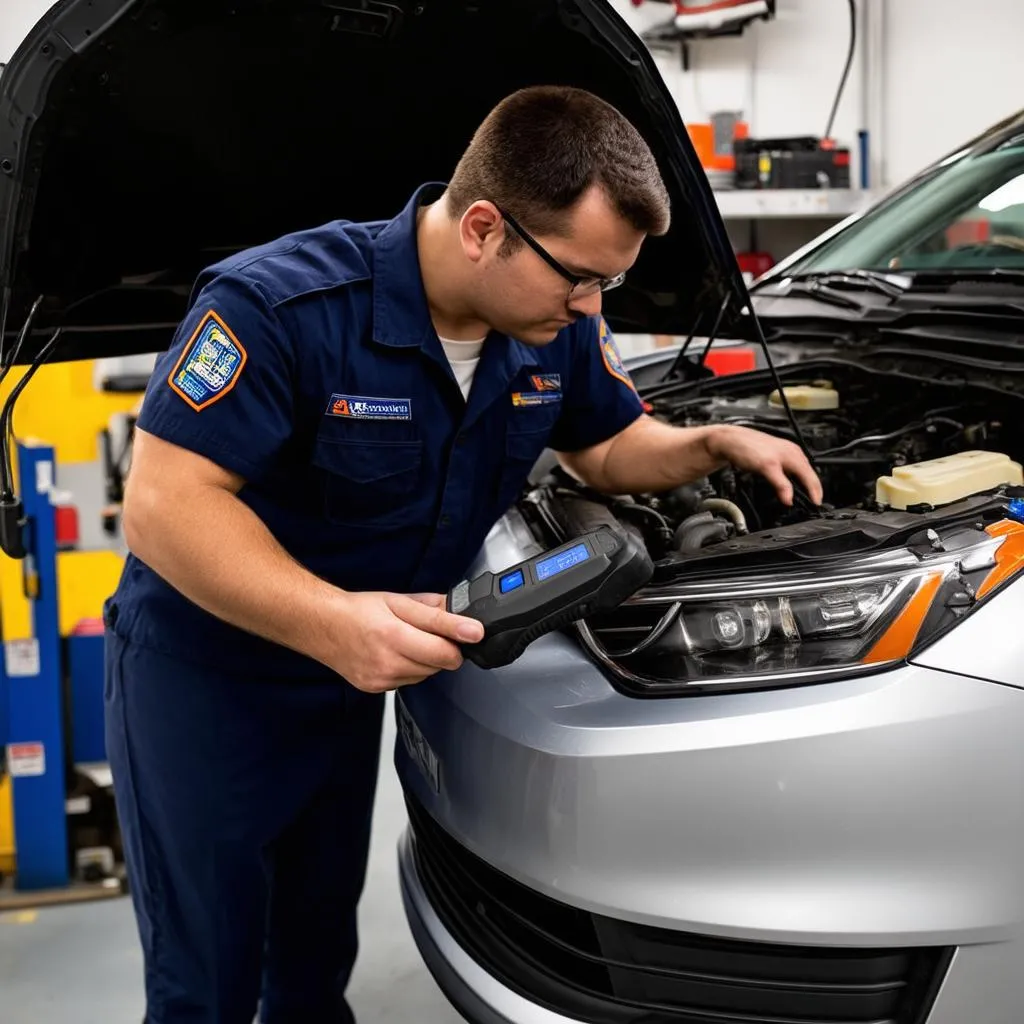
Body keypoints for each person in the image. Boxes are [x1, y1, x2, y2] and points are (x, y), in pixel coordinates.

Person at [104, 85, 822, 1024]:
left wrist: (712, 444)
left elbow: (604, 447)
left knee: (314, 957)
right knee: (207, 978)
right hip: (210, 681)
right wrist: (329, 620)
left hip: (348, 679)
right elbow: (163, 505)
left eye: (607, 282)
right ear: (484, 227)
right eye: (578, 277)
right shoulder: (278, 306)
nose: (590, 304)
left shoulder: (552, 329)